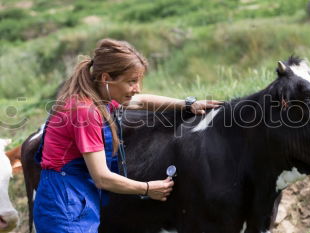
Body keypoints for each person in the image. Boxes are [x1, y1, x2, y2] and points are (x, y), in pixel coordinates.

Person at [33, 38, 222, 233]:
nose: (137, 88)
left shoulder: (98, 99)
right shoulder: (85, 112)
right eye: (131, 81)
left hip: (76, 198)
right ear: (106, 78)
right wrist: (148, 188)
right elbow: (102, 178)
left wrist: (188, 104)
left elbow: (141, 101)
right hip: (64, 203)